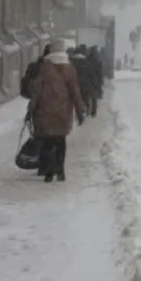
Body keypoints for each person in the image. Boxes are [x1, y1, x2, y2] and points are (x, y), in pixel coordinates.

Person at [28, 44, 85, 183]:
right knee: (60, 141)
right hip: (63, 111)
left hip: (45, 112)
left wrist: (30, 111)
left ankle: (49, 171)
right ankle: (60, 170)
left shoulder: (45, 69)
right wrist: (79, 110)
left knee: (48, 142)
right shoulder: (70, 69)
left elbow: (36, 93)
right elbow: (75, 92)